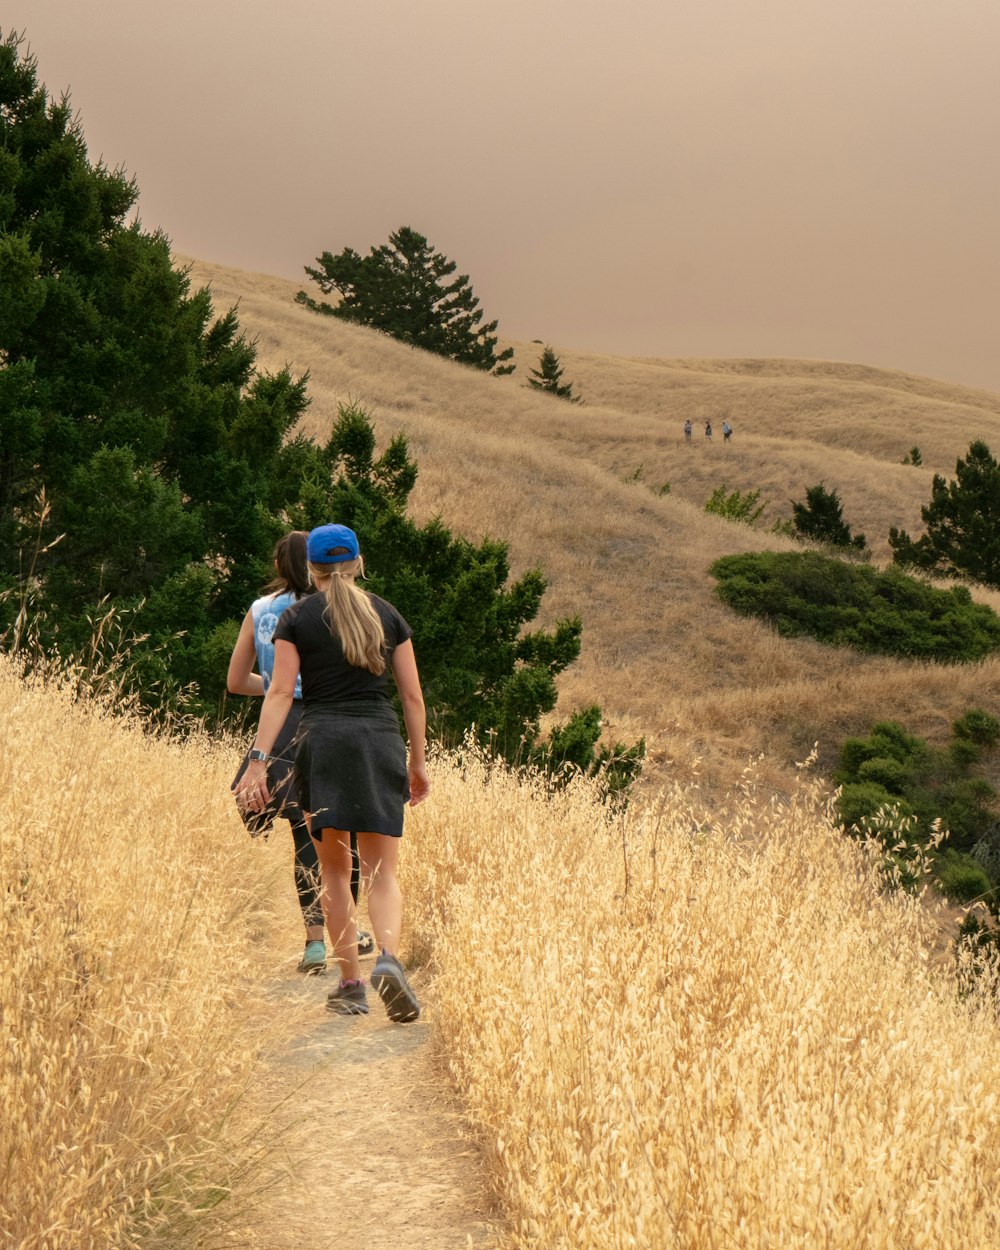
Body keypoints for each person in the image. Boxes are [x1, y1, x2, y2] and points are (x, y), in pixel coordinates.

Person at [235, 523, 430, 1023]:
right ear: (359, 563)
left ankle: (350, 984)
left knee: (335, 872)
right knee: (383, 872)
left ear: (312, 570)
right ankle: (387, 957)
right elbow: (411, 697)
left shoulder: (297, 618)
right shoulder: (387, 614)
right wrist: (418, 761)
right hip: (379, 740)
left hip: (322, 744)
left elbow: (279, 694)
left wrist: (259, 762)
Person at [227, 532, 374, 975]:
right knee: (339, 833)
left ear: (278, 565)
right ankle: (348, 931)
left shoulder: (261, 611)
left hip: (283, 726)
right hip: (333, 719)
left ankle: (314, 943)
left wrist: (276, 688)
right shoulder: (336, 607)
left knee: (302, 838)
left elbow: (236, 682)